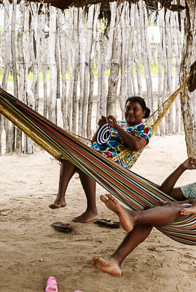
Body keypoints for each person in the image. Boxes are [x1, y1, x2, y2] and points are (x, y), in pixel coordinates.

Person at [92, 147, 196, 276]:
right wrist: (182, 168)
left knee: (167, 209)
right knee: (150, 210)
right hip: (184, 220)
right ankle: (115, 261)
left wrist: (187, 204)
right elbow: (162, 193)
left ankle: (133, 216)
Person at [49, 96, 152, 224]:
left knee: (87, 160)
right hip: (95, 153)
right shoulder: (119, 123)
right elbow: (95, 142)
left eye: (135, 109)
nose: (130, 112)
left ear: (143, 112)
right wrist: (101, 127)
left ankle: (92, 210)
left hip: (114, 161)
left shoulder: (143, 128)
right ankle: (61, 197)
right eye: (128, 108)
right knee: (69, 153)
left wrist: (117, 128)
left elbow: (136, 145)